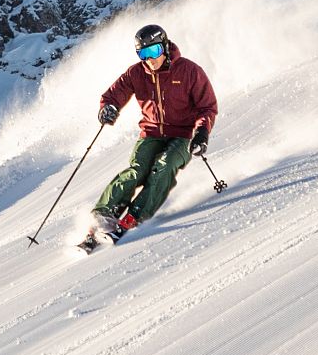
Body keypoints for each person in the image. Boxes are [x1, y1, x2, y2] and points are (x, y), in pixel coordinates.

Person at [86, 24, 219, 247]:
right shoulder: (136, 73)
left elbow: (207, 107)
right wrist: (108, 107)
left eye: (154, 52)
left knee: (164, 167)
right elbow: (114, 94)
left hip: (183, 135)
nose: (150, 59)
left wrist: (202, 132)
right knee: (137, 170)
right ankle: (104, 212)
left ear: (165, 47)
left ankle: (134, 216)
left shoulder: (189, 71)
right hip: (151, 132)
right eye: (143, 54)